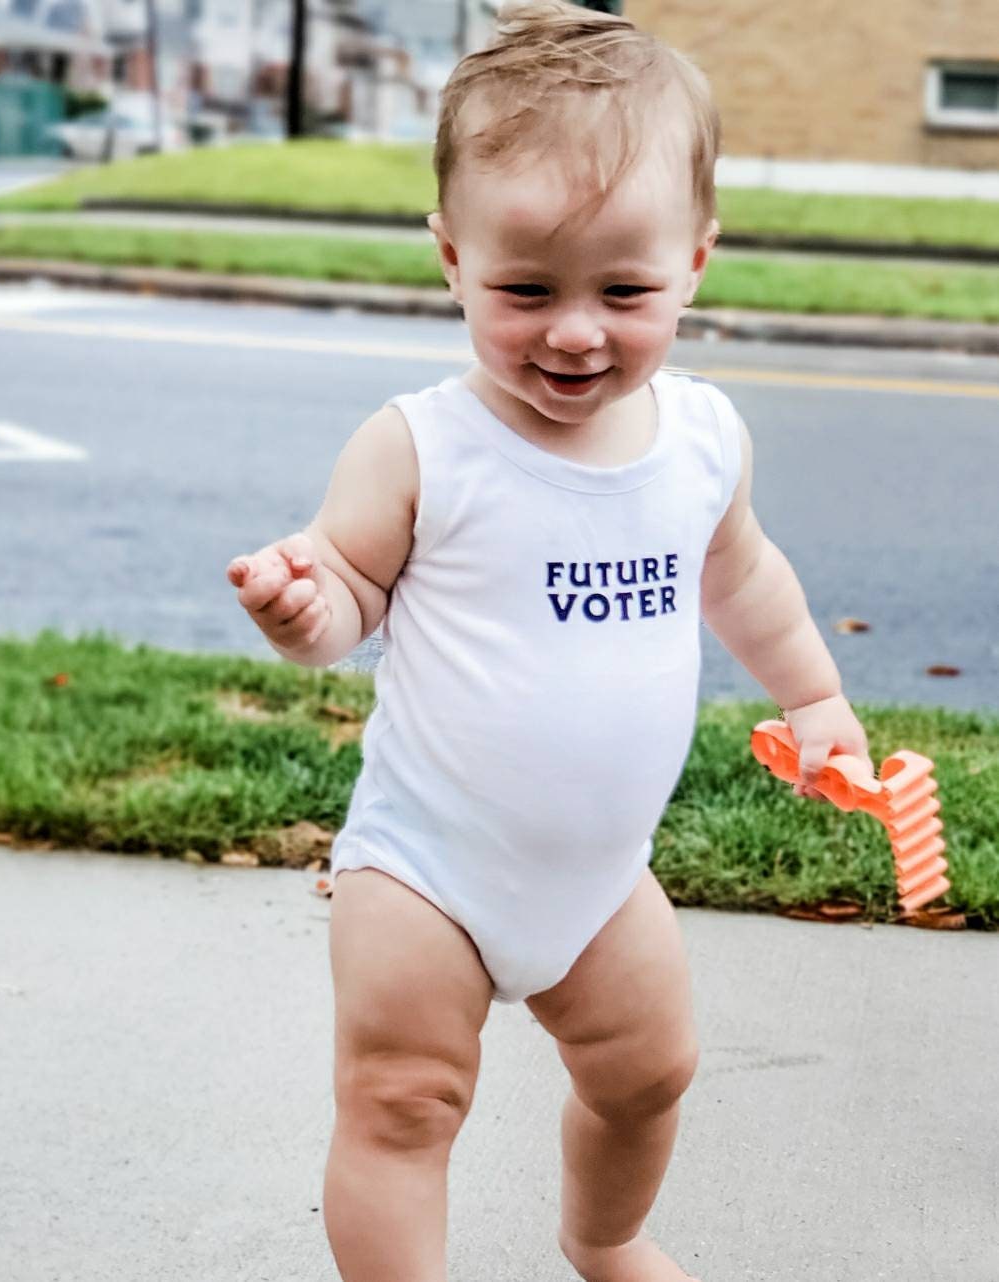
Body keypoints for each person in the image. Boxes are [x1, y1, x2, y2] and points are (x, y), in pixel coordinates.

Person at [226, 4, 872, 1278]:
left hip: (598, 878)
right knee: (404, 1103)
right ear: (450, 259)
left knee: (649, 1073)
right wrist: (307, 612)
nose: (574, 332)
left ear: (695, 262)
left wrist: (815, 699)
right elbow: (350, 587)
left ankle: (606, 1238)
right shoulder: (422, 445)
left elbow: (743, 577)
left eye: (622, 291)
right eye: (526, 289)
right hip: (425, 874)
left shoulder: (699, 443)